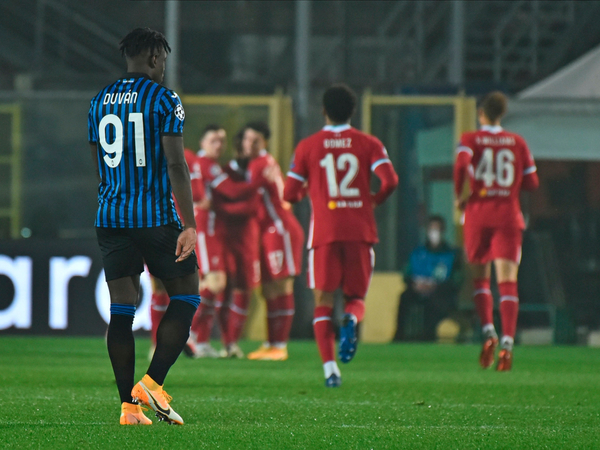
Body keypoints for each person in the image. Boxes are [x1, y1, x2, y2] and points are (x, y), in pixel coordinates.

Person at [88, 28, 200, 425]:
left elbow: (98, 161)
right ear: (154, 57)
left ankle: (128, 409)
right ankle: (152, 383)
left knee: (122, 311)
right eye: (164, 61)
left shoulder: (99, 101)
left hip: (110, 215)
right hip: (153, 216)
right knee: (186, 295)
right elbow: (175, 165)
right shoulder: (164, 99)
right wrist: (189, 224)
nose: (164, 68)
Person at [284, 84, 398, 387]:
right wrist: (374, 199)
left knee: (322, 302)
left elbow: (290, 193)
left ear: (323, 110)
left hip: (325, 232)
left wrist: (313, 190)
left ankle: (331, 370)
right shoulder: (368, 143)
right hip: (360, 230)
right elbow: (390, 181)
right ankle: (351, 319)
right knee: (355, 297)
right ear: (353, 112)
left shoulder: (308, 146)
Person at [454, 91, 539, 371]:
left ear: (481, 113)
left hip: (478, 214)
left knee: (480, 280)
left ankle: (488, 330)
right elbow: (532, 182)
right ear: (501, 114)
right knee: (507, 282)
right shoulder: (517, 142)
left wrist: (460, 194)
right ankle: (508, 342)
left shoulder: (470, 139)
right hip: (508, 216)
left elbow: (462, 164)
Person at [189, 124, 267, 357]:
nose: (219, 145)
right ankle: (187, 333)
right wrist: (257, 185)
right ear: (202, 142)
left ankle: (201, 341)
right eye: (213, 140)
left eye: (222, 140)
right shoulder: (205, 164)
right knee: (215, 283)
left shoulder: (209, 165)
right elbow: (232, 191)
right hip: (205, 228)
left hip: (213, 229)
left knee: (212, 285)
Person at [235, 122, 305, 362]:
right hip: (267, 232)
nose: (249, 144)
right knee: (267, 288)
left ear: (264, 142)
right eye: (246, 140)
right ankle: (270, 342)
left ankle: (280, 345)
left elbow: (250, 200)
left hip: (280, 229)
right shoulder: (259, 163)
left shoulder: (260, 163)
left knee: (281, 285)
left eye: (255, 140)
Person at [150, 148, 204, 360]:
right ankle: (173, 339)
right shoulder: (184, 155)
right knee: (172, 285)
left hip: (161, 226)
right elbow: (198, 194)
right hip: (165, 226)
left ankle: (168, 341)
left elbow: (198, 193)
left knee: (167, 286)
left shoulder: (185, 156)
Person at [394, 215, 463, 342]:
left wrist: (436, 286)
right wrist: (414, 284)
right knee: (405, 297)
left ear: (443, 231)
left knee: (434, 304)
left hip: (440, 294)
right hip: (417, 290)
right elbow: (407, 274)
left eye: (437, 229)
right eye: (432, 229)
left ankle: (428, 337)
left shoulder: (451, 255)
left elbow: (457, 279)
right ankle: (399, 336)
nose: (434, 233)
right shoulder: (418, 252)